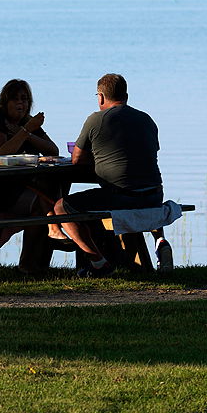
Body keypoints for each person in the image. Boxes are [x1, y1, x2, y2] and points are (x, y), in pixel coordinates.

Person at [49, 72, 167, 277]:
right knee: (91, 204)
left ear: (101, 97)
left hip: (122, 196)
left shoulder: (96, 119)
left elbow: (77, 159)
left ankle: (98, 262)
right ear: (126, 96)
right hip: (154, 195)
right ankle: (155, 243)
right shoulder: (146, 119)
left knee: (61, 207)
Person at [0, 79, 60, 236]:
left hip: (18, 184)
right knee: (43, 199)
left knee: (53, 186)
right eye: (15, 99)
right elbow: (1, 153)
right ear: (5, 102)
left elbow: (53, 150)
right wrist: (25, 131)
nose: (20, 103)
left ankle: (36, 254)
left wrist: (28, 133)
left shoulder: (27, 122)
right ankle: (54, 230)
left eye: (24, 99)